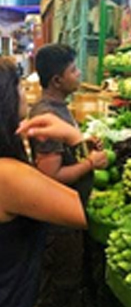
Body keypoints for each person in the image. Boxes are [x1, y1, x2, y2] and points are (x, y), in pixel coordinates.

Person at [0, 58, 87, 307]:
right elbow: (83, 212)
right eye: (19, 86)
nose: (26, 93)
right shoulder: (9, 176)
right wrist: (74, 138)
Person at [30, 44, 107, 307]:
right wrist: (90, 164)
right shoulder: (47, 116)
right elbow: (50, 175)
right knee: (60, 289)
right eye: (73, 70)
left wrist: (83, 145)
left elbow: (62, 153)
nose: (79, 74)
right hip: (59, 225)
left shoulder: (58, 107)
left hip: (68, 216)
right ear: (57, 80)